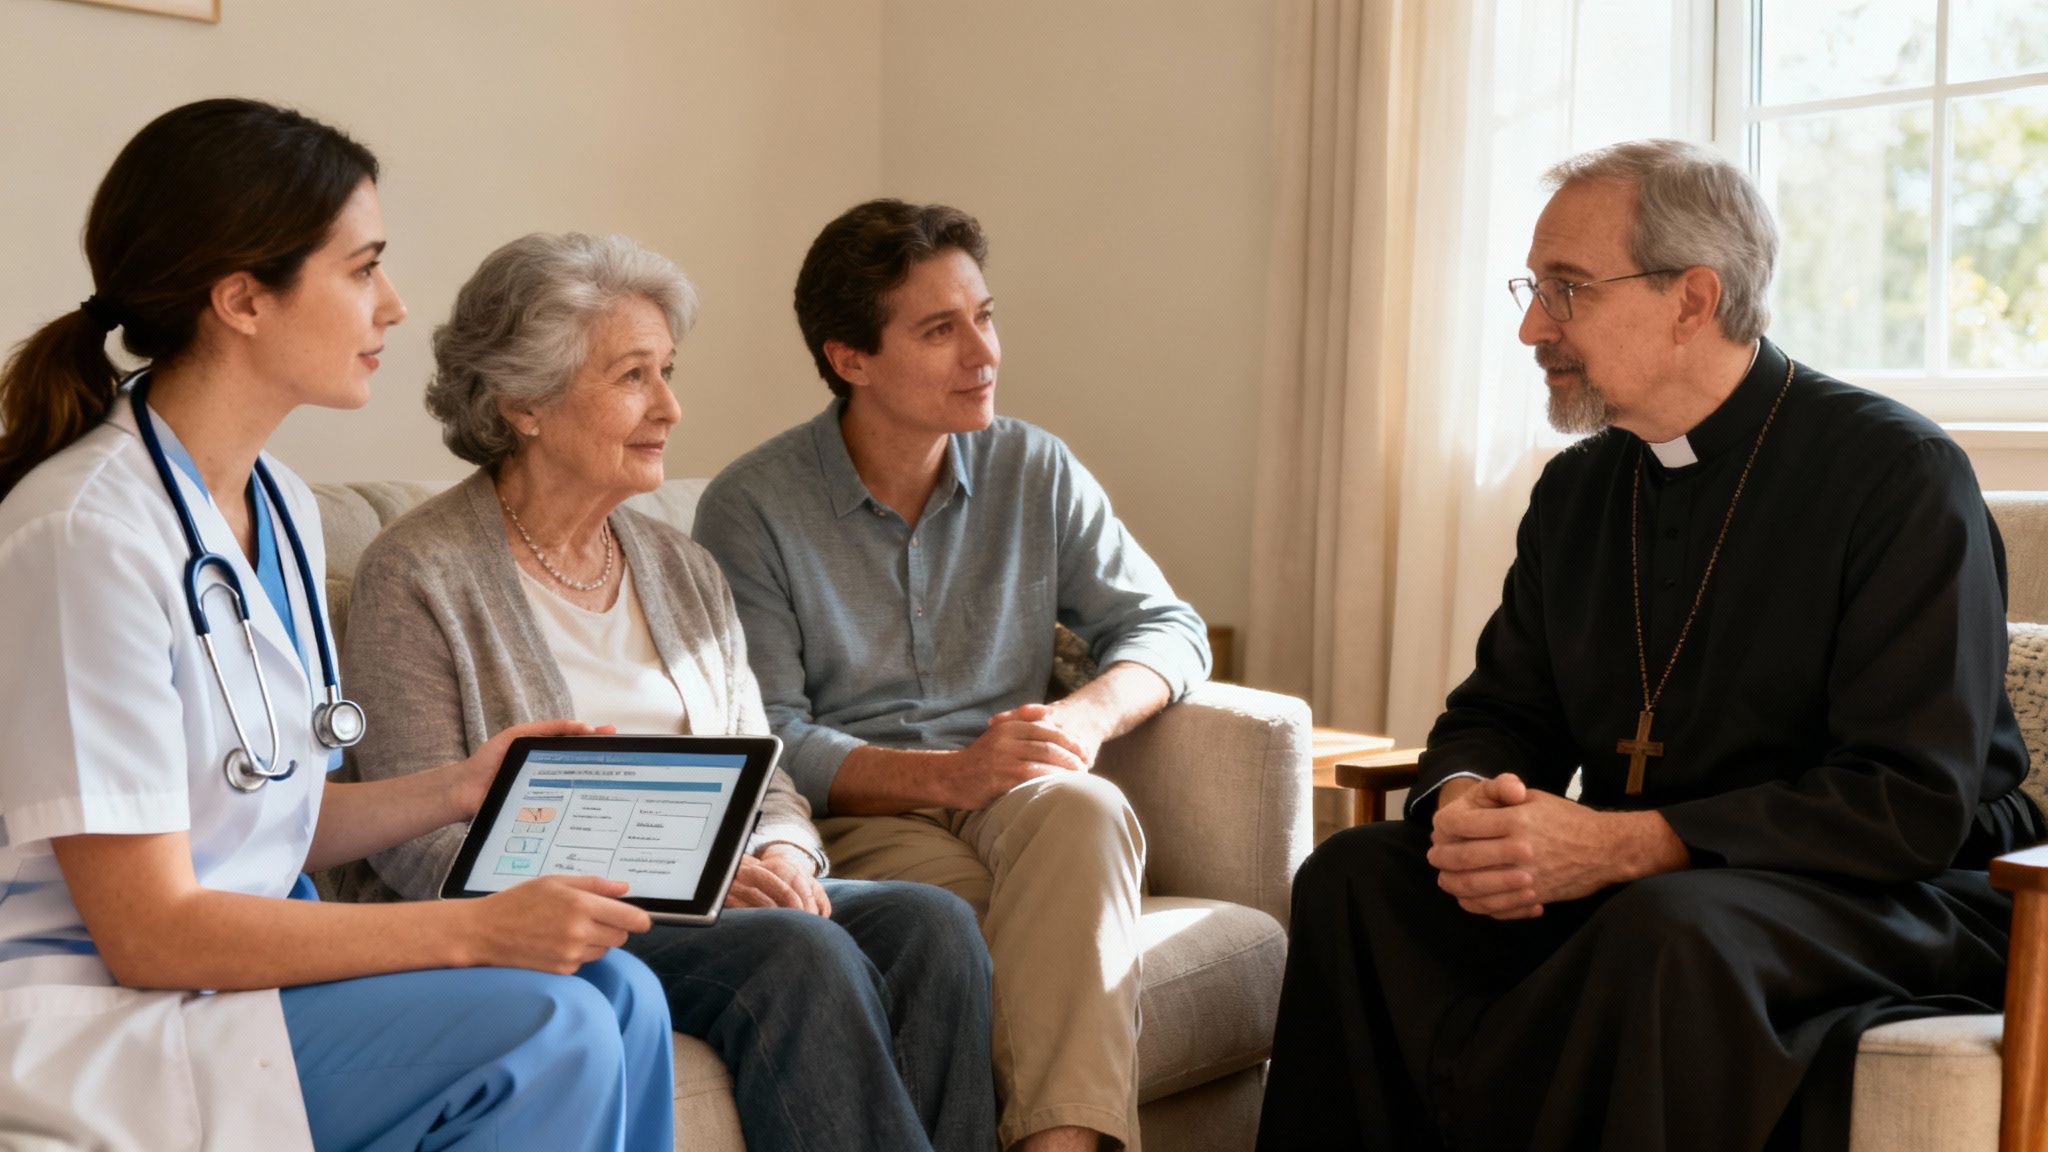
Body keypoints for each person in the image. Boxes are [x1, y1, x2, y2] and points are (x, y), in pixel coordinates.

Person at [1255, 138, 2046, 1152]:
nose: (1532, 325)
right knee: (1358, 881)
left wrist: (1630, 843)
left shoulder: (1895, 476)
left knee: (1663, 933)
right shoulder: (1580, 489)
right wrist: (1465, 803)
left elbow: (1907, 800)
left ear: (1692, 298)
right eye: (1532, 288)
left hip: (1888, 892)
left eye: (1566, 290)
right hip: (1649, 885)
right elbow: (1501, 713)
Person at [0, 100, 673, 1152]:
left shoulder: (275, 503)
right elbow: (148, 928)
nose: (395, 306)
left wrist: (460, 787)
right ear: (242, 300)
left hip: (227, 975)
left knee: (622, 993)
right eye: (362, 269)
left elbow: (258, 815)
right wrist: (474, 928)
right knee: (547, 1024)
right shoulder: (82, 535)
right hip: (108, 1015)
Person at [340, 230, 998, 1152]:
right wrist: (678, 880)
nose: (672, 408)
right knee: (793, 953)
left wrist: (785, 856)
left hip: (711, 896)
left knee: (931, 925)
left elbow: (762, 773)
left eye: (667, 371)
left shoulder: (677, 565)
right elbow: (420, 844)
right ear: (525, 402)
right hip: (547, 911)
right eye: (634, 377)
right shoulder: (420, 572)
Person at [693, 199, 1212, 1152]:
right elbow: (763, 735)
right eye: (940, 329)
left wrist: (1088, 718)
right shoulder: (751, 509)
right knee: (965, 925)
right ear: (849, 358)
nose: (984, 353)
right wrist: (945, 776)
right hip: (866, 814)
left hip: (1013, 788)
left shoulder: (1033, 467)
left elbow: (1168, 628)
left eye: (984, 315)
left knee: (1087, 808)